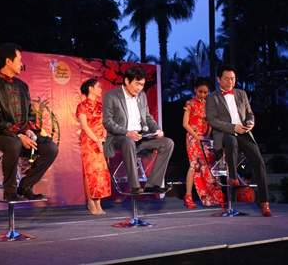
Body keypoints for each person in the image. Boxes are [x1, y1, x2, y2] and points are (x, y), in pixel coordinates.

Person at [0, 43, 58, 201]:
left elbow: (29, 114)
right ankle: (9, 190)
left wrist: (29, 130)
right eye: (19, 60)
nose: (21, 64)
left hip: (20, 135)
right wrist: (18, 136)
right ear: (8, 61)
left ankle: (26, 185)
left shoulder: (22, 86)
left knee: (50, 148)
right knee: (13, 143)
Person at [206, 64, 271, 217]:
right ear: (219, 79)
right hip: (225, 133)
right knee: (231, 141)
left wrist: (250, 123)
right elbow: (212, 120)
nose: (230, 82)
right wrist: (232, 127)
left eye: (233, 79)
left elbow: (250, 114)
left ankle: (264, 202)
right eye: (227, 79)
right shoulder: (212, 97)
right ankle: (233, 177)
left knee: (259, 161)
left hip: (243, 132)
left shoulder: (241, 94)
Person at [102, 66, 174, 194]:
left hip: (140, 137)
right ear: (127, 81)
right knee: (128, 141)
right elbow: (108, 122)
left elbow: (147, 117)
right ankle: (135, 186)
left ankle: (153, 184)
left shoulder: (142, 96)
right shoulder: (111, 96)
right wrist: (126, 132)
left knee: (167, 143)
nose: (139, 88)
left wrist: (157, 130)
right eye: (137, 84)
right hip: (120, 137)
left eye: (142, 85)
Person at [182, 77, 225, 209]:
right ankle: (188, 196)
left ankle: (217, 196)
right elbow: (185, 124)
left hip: (205, 138)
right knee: (194, 165)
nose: (203, 94)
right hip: (193, 138)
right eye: (200, 91)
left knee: (210, 165)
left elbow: (210, 121)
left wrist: (207, 134)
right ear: (195, 89)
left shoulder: (209, 104)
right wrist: (197, 136)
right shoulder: (190, 103)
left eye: (205, 92)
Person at [76, 79, 111, 215]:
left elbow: (104, 124)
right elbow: (85, 126)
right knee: (89, 172)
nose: (100, 89)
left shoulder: (102, 106)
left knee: (101, 173)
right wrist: (96, 139)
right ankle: (91, 202)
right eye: (98, 86)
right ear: (90, 88)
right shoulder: (82, 106)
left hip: (100, 142)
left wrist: (102, 139)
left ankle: (99, 203)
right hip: (89, 142)